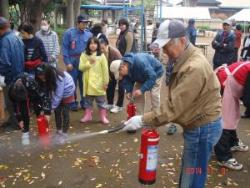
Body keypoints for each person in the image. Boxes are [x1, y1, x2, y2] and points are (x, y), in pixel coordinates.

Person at [121, 20, 222, 188]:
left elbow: (174, 107)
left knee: (193, 175)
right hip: (197, 124)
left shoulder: (194, 67)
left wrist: (142, 119)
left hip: (202, 128)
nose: (165, 51)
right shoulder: (185, 57)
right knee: (190, 169)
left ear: (182, 40)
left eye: (167, 46)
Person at [214, 62, 250, 170]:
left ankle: (232, 142)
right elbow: (248, 99)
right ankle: (223, 157)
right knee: (225, 120)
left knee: (232, 115)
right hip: (224, 82)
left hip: (232, 84)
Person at [35, 64, 75, 144]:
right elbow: (48, 93)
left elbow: (58, 95)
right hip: (57, 92)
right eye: (39, 76)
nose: (41, 78)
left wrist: (50, 108)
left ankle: (64, 134)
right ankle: (59, 132)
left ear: (48, 74)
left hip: (67, 91)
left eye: (43, 76)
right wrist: (47, 107)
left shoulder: (58, 77)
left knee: (65, 113)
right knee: (57, 112)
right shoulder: (46, 77)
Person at [8, 73, 51, 145]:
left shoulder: (32, 84)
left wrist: (46, 111)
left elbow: (44, 97)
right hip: (22, 96)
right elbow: (15, 106)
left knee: (39, 110)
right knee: (24, 112)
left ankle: (43, 134)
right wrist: (19, 119)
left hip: (33, 94)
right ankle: (25, 134)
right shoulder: (11, 91)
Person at [62, 14, 92, 111]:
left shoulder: (89, 34)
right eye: (83, 23)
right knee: (72, 83)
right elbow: (65, 48)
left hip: (84, 61)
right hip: (72, 61)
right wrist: (67, 63)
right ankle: (72, 103)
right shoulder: (69, 33)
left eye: (86, 23)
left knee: (84, 83)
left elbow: (92, 48)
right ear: (78, 23)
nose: (85, 25)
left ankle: (84, 102)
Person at [0, 17, 25, 130]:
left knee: (10, 100)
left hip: (9, 75)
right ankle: (13, 119)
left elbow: (4, 61)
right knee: (16, 99)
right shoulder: (17, 36)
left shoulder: (5, 40)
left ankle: (15, 123)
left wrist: (2, 75)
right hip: (19, 72)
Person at [79, 37, 109, 124]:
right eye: (91, 43)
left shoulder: (101, 56)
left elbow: (105, 70)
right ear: (88, 45)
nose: (93, 45)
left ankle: (103, 117)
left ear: (98, 45)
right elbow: (81, 68)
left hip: (99, 83)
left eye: (95, 43)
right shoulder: (84, 55)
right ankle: (88, 116)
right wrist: (89, 63)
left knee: (101, 101)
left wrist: (105, 83)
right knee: (88, 101)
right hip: (88, 83)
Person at [98, 35, 124, 113]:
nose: (101, 50)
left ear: (107, 45)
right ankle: (110, 103)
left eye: (103, 48)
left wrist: (120, 76)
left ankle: (119, 106)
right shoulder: (99, 53)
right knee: (109, 86)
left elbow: (121, 65)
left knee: (121, 87)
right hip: (109, 72)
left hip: (120, 70)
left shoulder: (115, 52)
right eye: (100, 48)